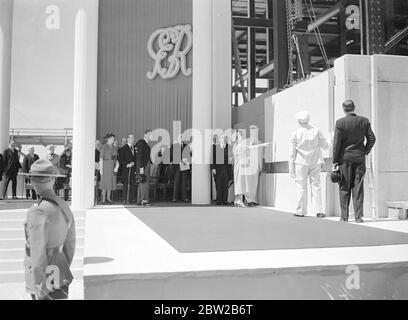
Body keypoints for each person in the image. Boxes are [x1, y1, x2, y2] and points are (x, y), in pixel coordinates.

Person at [23, 159, 76, 300]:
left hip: (43, 279)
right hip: (60, 268)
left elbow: (37, 254)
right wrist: (62, 264)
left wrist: (40, 286)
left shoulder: (37, 212)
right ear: (53, 180)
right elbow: (70, 244)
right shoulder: (64, 205)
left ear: (32, 182)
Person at [333, 100, 376, 223]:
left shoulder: (340, 123)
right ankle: (358, 216)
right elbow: (372, 139)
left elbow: (337, 144)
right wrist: (365, 151)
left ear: (343, 109)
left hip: (344, 159)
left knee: (344, 187)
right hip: (359, 158)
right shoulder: (364, 121)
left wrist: (335, 161)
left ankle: (344, 216)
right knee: (358, 186)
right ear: (354, 108)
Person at [289, 111, 329, 218]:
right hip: (315, 161)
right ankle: (319, 211)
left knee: (301, 186)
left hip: (300, 162)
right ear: (309, 119)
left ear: (299, 121)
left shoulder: (295, 133)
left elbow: (291, 154)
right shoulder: (317, 131)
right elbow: (325, 146)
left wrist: (291, 169)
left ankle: (300, 211)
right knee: (316, 186)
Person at [212, 135, 233, 205]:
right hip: (218, 169)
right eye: (223, 138)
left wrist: (231, 160)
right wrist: (213, 168)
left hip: (226, 169)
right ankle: (219, 200)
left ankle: (225, 200)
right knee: (218, 185)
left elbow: (231, 157)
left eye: (226, 139)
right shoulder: (215, 147)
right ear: (220, 139)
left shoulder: (229, 147)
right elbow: (212, 158)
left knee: (225, 185)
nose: (224, 140)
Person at [99, 133, 118, 204]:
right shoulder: (104, 147)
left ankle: (108, 198)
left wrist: (116, 167)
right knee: (105, 182)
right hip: (106, 165)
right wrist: (101, 169)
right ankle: (103, 199)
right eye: (112, 138)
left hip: (112, 165)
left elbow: (116, 158)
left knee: (110, 182)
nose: (113, 140)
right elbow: (101, 158)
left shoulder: (114, 148)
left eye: (113, 138)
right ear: (108, 139)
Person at [136, 130, 152, 206]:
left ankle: (140, 200)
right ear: (145, 135)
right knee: (144, 183)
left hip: (146, 165)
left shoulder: (146, 144)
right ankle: (143, 200)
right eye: (149, 134)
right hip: (143, 166)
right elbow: (139, 156)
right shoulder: (141, 142)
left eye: (151, 135)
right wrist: (141, 167)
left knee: (143, 182)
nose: (150, 136)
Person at [171, 135, 189, 202]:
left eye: (182, 137)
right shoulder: (174, 146)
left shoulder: (186, 146)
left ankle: (184, 197)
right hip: (177, 166)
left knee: (184, 181)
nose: (181, 139)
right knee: (177, 181)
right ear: (177, 139)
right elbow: (173, 155)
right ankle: (175, 197)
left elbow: (188, 154)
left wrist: (186, 160)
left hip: (184, 165)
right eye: (180, 137)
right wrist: (181, 161)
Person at [120, 134, 137, 204]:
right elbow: (121, 159)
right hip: (126, 169)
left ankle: (132, 198)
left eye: (133, 138)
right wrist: (127, 164)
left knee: (133, 184)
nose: (133, 139)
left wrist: (136, 169)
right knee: (126, 184)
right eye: (132, 138)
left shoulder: (135, 148)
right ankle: (125, 198)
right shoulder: (123, 148)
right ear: (128, 139)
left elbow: (136, 159)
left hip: (133, 169)